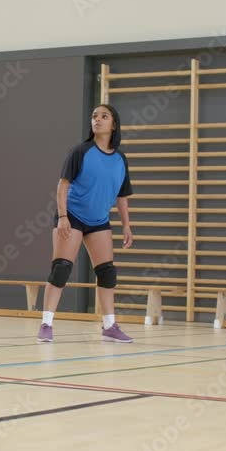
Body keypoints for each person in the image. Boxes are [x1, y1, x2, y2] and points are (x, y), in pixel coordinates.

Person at [37, 104, 135, 344]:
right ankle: (46, 324)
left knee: (107, 272)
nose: (97, 120)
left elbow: (122, 196)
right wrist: (63, 217)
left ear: (114, 124)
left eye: (104, 116)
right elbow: (63, 186)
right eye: (94, 116)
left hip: (99, 220)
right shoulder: (80, 151)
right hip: (72, 216)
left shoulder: (120, 159)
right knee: (61, 268)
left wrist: (126, 225)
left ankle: (109, 326)